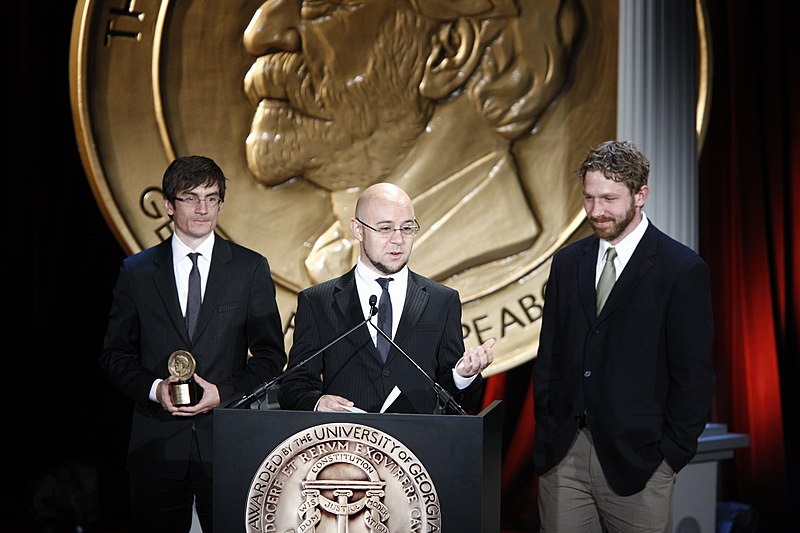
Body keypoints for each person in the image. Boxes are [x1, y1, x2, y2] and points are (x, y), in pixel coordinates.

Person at [241, 0, 583, 287]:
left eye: (321, 4)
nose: (258, 34)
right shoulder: (329, 259)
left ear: (448, 51)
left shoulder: (486, 241)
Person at [533, 141, 715, 531]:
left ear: (640, 195)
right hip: (564, 455)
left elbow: (693, 375)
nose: (596, 211)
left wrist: (670, 457)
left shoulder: (681, 269)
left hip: (642, 463)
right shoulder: (567, 262)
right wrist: (549, 427)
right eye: (589, 198)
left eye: (609, 199)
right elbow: (551, 355)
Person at [99, 155, 286, 532]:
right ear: (169, 205)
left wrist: (224, 393)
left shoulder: (250, 268)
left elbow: (270, 356)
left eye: (212, 198)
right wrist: (155, 390)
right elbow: (114, 355)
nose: (203, 208)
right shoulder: (136, 272)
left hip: (226, 442)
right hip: (157, 443)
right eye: (191, 197)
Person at [278, 182, 494, 414]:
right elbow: (294, 386)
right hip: (345, 443)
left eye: (407, 228)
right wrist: (318, 403)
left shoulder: (442, 301)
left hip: (415, 446)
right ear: (358, 229)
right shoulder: (318, 302)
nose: (398, 240)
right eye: (385, 228)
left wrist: (463, 376)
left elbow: (457, 400)